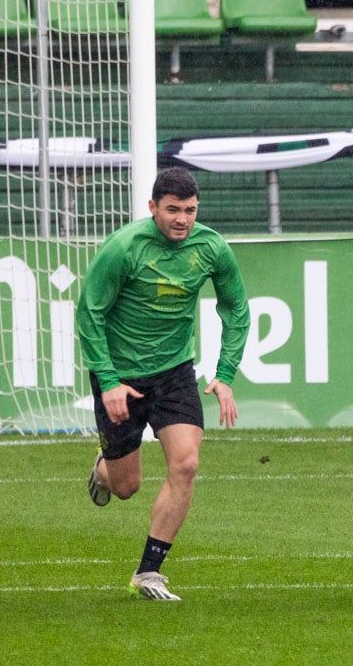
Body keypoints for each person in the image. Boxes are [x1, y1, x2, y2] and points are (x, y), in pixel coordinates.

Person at [76, 167, 250, 602]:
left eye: (190, 210)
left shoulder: (211, 247)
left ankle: (149, 572)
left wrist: (225, 374)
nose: (182, 219)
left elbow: (236, 309)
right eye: (172, 210)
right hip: (120, 377)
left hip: (174, 371)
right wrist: (109, 380)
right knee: (126, 486)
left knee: (186, 464)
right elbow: (89, 314)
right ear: (153, 207)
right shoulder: (124, 249)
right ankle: (103, 467)